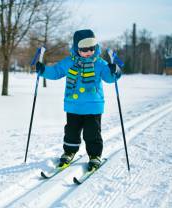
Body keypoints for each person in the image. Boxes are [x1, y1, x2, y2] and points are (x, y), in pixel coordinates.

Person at [36, 29, 121, 171]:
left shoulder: (99, 63)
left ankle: (94, 155)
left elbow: (109, 78)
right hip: (73, 105)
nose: (89, 52)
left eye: (91, 48)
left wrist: (115, 70)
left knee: (92, 133)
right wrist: (43, 70)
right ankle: (69, 152)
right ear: (77, 48)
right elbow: (56, 71)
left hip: (93, 106)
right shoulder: (69, 62)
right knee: (71, 131)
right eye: (84, 49)